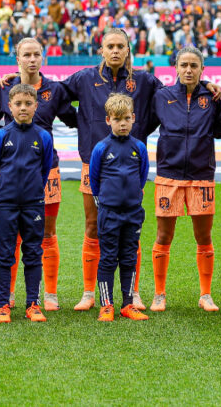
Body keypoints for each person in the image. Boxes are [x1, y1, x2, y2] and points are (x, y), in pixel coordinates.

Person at [61, 28, 163, 312]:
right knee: (93, 227)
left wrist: (142, 129)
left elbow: (169, 101)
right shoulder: (84, 78)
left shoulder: (143, 80)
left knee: (131, 229)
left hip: (130, 165)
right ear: (101, 51)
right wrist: (81, 122)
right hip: (93, 164)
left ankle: (134, 293)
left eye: (120, 46)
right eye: (110, 46)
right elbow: (55, 96)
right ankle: (89, 292)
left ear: (128, 50)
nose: (115, 51)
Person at [0, 38, 77, 311]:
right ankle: (9, 295)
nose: (31, 59)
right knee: (12, 237)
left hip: (46, 171)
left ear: (43, 58)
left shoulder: (55, 89)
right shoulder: (4, 89)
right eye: (26, 54)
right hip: (12, 176)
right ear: (17, 58)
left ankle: (48, 293)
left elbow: (77, 119)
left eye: (36, 54)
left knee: (47, 234)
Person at [148, 47, 221, 313]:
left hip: (201, 176)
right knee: (163, 235)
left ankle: (205, 294)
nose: (188, 70)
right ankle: (159, 294)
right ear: (176, 67)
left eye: (194, 65)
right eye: (184, 65)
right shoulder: (161, 96)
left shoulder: (212, 96)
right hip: (168, 176)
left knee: (203, 236)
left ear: (202, 69)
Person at [0, 84, 54, 324]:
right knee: (4, 254)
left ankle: (33, 304)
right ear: (10, 107)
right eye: (18, 104)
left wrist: (34, 190)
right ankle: (2, 305)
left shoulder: (43, 137)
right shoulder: (1, 136)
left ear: (36, 106)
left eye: (28, 104)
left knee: (33, 253)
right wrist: (2, 194)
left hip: (33, 203)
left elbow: (45, 169)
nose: (23, 108)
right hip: (6, 203)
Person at [89, 93, 150, 322]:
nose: (122, 123)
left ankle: (128, 303)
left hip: (133, 212)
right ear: (108, 121)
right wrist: (105, 203)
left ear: (133, 118)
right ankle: (106, 305)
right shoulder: (101, 148)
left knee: (128, 258)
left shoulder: (139, 147)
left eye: (126, 118)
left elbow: (142, 177)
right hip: (109, 212)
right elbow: (94, 181)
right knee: (108, 258)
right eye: (117, 119)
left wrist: (132, 198)